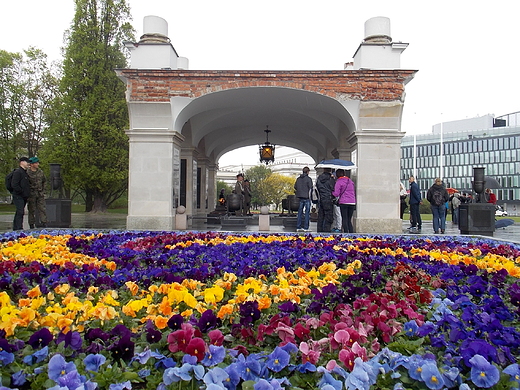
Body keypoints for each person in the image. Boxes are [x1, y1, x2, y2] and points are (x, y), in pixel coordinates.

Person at [332, 169, 356, 233]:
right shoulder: (350, 181)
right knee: (349, 219)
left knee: (344, 218)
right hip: (352, 202)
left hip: (344, 202)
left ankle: (346, 232)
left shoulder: (339, 182)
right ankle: (351, 232)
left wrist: (332, 192)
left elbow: (336, 193)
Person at [10, 157, 31, 230]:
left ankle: (17, 227)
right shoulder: (18, 172)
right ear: (22, 162)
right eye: (26, 162)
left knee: (20, 212)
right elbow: (14, 184)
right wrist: (21, 191)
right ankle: (18, 228)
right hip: (18, 196)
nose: (28, 163)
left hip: (23, 196)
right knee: (20, 212)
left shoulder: (24, 172)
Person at [27, 157, 47, 228]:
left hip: (40, 193)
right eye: (36, 163)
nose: (38, 164)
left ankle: (44, 223)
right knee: (31, 209)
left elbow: (44, 181)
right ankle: (31, 224)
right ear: (32, 164)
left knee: (42, 209)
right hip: (31, 194)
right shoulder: (27, 172)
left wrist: (43, 190)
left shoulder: (40, 172)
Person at [315, 167, 335, 232]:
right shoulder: (331, 179)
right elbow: (333, 188)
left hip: (321, 199)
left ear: (324, 169)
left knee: (321, 216)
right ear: (330, 170)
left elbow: (317, 187)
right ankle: (326, 231)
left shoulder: (319, 178)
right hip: (328, 199)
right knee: (328, 216)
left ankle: (319, 231)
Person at [294, 166, 313, 232]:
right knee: (307, 212)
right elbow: (311, 188)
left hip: (300, 197)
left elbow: (295, 186)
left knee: (300, 212)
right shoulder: (309, 179)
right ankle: (306, 227)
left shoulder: (298, 179)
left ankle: (298, 226)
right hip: (307, 197)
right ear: (308, 172)